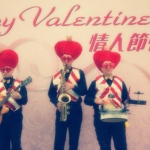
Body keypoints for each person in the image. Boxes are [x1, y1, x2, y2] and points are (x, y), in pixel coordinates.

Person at [84, 49, 128, 150]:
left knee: (121, 146)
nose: (108, 68)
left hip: (118, 118)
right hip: (101, 119)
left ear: (113, 66)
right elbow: (87, 99)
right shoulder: (95, 82)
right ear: (101, 68)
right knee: (104, 146)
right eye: (105, 65)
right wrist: (96, 100)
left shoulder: (120, 82)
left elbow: (125, 98)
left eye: (110, 65)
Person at [48, 36, 87, 150]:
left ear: (73, 59)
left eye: (68, 59)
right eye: (64, 58)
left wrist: (73, 87)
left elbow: (84, 91)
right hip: (61, 109)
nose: (66, 61)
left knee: (74, 140)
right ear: (61, 59)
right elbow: (51, 93)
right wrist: (56, 103)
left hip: (75, 110)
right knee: (59, 140)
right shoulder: (56, 75)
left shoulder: (79, 73)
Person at [0, 49, 28, 150]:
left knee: (16, 144)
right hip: (2, 119)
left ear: (12, 69)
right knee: (3, 145)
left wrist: (19, 97)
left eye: (8, 69)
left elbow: (25, 100)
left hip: (15, 118)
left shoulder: (20, 84)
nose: (5, 72)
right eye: (3, 70)